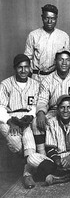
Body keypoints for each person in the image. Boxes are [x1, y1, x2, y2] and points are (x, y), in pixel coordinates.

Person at [0, 54, 39, 189]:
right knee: (17, 144)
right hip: (9, 119)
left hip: (26, 119)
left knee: (29, 140)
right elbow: (0, 107)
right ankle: (27, 162)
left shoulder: (35, 84)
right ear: (14, 68)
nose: (23, 70)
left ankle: (27, 174)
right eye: (20, 67)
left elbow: (36, 106)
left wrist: (29, 116)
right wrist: (10, 122)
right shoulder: (5, 84)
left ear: (30, 68)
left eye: (26, 67)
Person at [24, 4, 70, 82]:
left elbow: (67, 59)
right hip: (37, 77)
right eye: (47, 18)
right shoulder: (33, 35)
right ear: (42, 17)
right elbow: (27, 58)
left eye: (53, 18)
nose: (49, 21)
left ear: (56, 18)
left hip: (56, 77)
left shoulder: (63, 36)